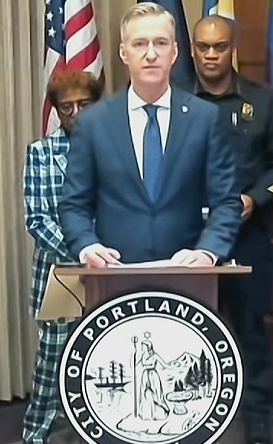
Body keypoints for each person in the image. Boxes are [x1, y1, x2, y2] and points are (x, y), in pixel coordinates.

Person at [59, 2, 241, 268]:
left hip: (188, 278)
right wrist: (87, 246)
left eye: (161, 43)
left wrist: (208, 251)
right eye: (140, 44)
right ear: (124, 52)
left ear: (175, 51)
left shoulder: (204, 118)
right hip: (114, 276)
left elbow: (226, 202)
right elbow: (74, 204)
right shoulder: (93, 123)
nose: (151, 54)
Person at [191, 15, 273, 444]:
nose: (212, 55)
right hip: (189, 239)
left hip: (246, 235)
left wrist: (255, 197)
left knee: (250, 329)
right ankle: (193, 425)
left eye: (219, 47)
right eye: (204, 47)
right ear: (193, 50)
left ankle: (256, 426)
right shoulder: (176, 101)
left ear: (232, 48)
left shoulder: (264, 103)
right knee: (193, 328)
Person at [21, 70, 103, 444]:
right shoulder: (40, 153)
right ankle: (35, 435)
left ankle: (98, 435)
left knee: (102, 353)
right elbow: (37, 220)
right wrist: (83, 250)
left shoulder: (114, 148)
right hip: (60, 271)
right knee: (53, 356)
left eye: (84, 106)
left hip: (110, 270)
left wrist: (104, 254)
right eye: (67, 108)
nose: (76, 114)